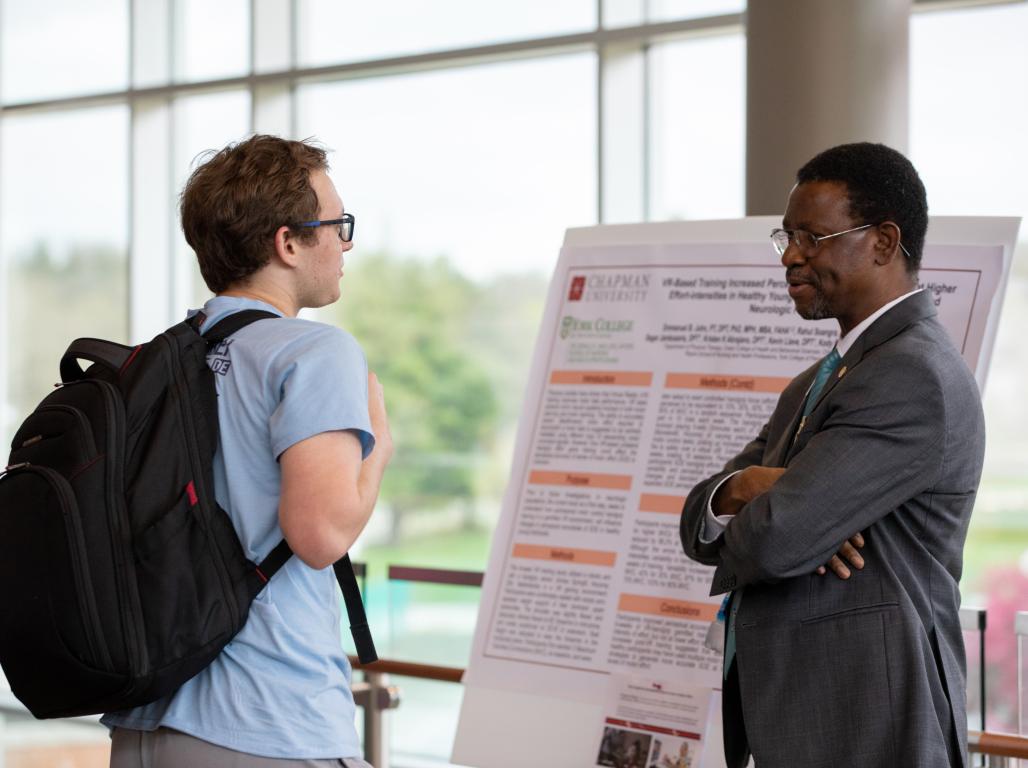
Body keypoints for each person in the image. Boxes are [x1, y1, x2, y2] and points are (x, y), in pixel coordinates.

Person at [680, 142, 984, 768]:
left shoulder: (911, 375)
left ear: (882, 241)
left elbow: (776, 540)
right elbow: (698, 519)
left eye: (813, 237)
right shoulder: (821, 380)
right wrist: (745, 488)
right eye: (787, 236)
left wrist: (786, 506)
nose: (791, 256)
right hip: (812, 714)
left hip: (870, 718)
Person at [102, 134, 393, 767]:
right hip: (270, 717)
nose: (345, 244)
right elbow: (318, 533)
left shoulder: (161, 360)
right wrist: (379, 455)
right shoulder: (313, 352)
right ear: (288, 243)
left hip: (146, 718)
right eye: (336, 225)